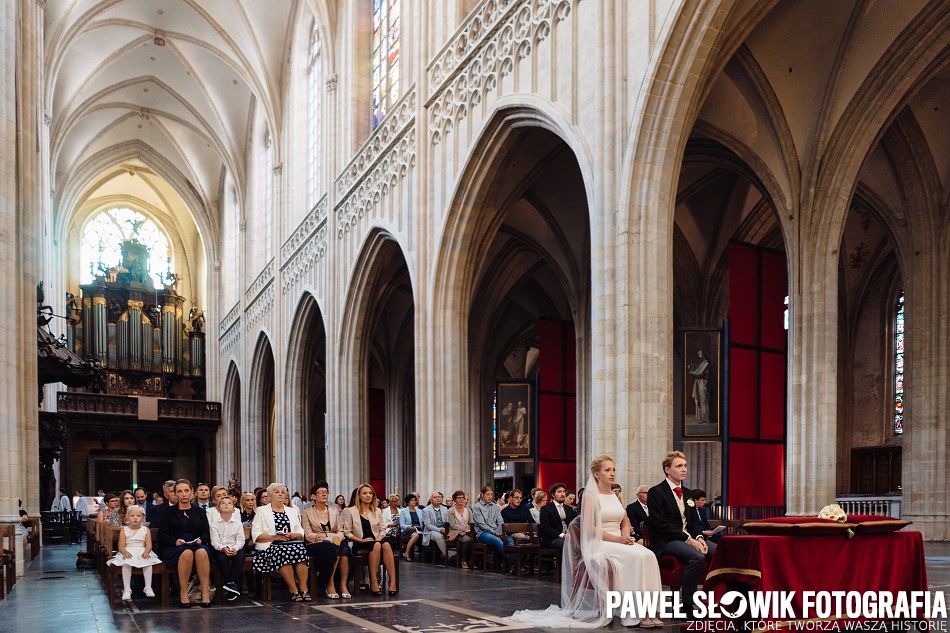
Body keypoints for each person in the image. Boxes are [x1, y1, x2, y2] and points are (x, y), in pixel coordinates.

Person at [511, 455, 663, 628]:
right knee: (635, 558)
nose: (612, 473)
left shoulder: (616, 495)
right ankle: (635, 612)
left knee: (648, 555)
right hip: (600, 543)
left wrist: (626, 537)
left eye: (613, 469)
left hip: (619, 541)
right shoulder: (591, 496)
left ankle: (650, 610)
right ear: (597, 474)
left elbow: (625, 521)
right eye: (607, 470)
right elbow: (590, 529)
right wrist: (618, 540)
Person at [647, 451, 716, 617]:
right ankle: (687, 604)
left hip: (690, 537)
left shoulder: (688, 493)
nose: (684, 469)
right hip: (667, 540)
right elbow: (660, 525)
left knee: (719, 552)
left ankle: (715, 599)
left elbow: (694, 523)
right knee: (696, 557)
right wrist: (689, 540)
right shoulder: (656, 492)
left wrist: (699, 538)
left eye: (685, 466)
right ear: (667, 469)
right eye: (679, 466)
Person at [157, 479, 213, 607]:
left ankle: (205, 592)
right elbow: (162, 535)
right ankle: (183, 592)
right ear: (176, 494)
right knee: (187, 553)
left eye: (186, 491)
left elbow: (206, 532)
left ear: (192, 493)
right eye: (180, 491)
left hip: (196, 543)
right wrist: (175, 541)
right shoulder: (167, 512)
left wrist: (201, 540)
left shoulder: (199, 511)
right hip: (175, 546)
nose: (183, 494)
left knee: (202, 552)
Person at [252, 483, 310, 601]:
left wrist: (294, 535)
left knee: (301, 550)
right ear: (270, 496)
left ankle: (304, 589)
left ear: (285, 497)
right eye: (276, 492)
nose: (280, 494)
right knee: (282, 552)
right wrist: (275, 537)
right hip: (270, 545)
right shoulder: (261, 511)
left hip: (291, 543)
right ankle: (293, 590)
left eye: (282, 492)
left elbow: (300, 531)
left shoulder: (292, 511)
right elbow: (256, 534)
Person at [342, 483, 398, 595]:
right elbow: (347, 532)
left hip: (376, 541)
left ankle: (392, 581)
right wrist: (361, 540)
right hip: (360, 542)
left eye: (370, 493)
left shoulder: (377, 510)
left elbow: (383, 529)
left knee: (385, 545)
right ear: (358, 496)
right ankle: (374, 581)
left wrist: (378, 538)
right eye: (364, 493)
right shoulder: (350, 511)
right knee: (378, 545)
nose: (368, 495)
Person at [301, 481, 351, 599]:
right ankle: (330, 584)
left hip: (335, 541)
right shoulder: (306, 513)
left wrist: (339, 536)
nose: (324, 494)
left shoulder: (334, 511)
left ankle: (343, 585)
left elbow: (340, 529)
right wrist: (327, 536)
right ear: (313, 496)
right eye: (320, 492)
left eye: (326, 492)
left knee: (344, 549)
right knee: (332, 549)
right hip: (315, 544)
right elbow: (308, 534)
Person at [107, 505, 161, 601]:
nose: (135, 518)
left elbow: (148, 545)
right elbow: (121, 546)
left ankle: (148, 587)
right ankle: (127, 589)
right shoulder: (124, 530)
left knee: (147, 562)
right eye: (132, 516)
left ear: (142, 517)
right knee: (126, 563)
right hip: (128, 550)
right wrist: (124, 552)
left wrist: (146, 551)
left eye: (138, 515)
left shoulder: (145, 530)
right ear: (127, 518)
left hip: (142, 550)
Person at [209, 495, 246, 601]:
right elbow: (214, 541)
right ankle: (231, 584)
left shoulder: (237, 523)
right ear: (218, 508)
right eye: (223, 503)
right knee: (221, 558)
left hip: (234, 547)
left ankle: (231, 582)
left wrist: (235, 548)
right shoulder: (214, 523)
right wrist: (223, 548)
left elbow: (241, 540)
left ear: (234, 509)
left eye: (229, 503)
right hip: (220, 549)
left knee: (240, 556)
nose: (226, 505)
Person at [471, 485, 516, 571]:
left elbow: (500, 521)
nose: (490, 496)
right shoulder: (476, 507)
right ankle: (515, 562)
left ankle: (512, 566)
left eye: (491, 494)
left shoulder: (496, 507)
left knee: (510, 540)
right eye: (488, 494)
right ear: (482, 495)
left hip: (496, 532)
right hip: (482, 533)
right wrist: (494, 533)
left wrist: (501, 531)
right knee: (497, 540)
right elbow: (482, 524)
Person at [538, 482, 578, 549]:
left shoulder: (569, 509)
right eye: (559, 492)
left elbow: (574, 524)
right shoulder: (545, 509)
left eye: (564, 491)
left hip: (568, 537)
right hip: (552, 539)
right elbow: (546, 528)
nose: (562, 494)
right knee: (568, 544)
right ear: (553, 494)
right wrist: (562, 535)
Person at [446, 490, 473, 569]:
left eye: (463, 498)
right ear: (455, 499)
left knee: (476, 538)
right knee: (467, 540)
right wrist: (464, 529)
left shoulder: (468, 510)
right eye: (459, 498)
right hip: (456, 533)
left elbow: (471, 523)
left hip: (468, 531)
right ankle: (464, 561)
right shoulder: (451, 511)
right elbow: (453, 526)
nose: (461, 499)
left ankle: (472, 560)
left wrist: (469, 528)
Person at [420, 491, 449, 561]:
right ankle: (447, 556)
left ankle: (456, 556)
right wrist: (440, 530)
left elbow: (448, 522)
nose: (437, 498)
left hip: (444, 528)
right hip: (431, 531)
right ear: (431, 500)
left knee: (455, 535)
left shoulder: (445, 509)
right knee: (439, 536)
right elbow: (428, 525)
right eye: (435, 497)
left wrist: (447, 529)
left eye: (439, 497)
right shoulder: (426, 510)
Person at [398, 493, 425, 561]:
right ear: (408, 502)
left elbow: (422, 522)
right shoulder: (403, 511)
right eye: (412, 500)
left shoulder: (419, 511)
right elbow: (401, 524)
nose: (414, 501)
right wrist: (410, 527)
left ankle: (424, 556)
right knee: (415, 535)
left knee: (424, 535)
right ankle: (406, 553)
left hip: (419, 529)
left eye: (415, 500)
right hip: (408, 529)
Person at [689, 350, 710, 424]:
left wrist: (691, 372)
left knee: (703, 401)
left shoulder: (706, 363)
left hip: (702, 383)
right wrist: (691, 369)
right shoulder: (700, 364)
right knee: (698, 401)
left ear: (703, 355)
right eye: (698, 355)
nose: (699, 356)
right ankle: (700, 418)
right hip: (698, 383)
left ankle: (704, 418)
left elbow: (700, 373)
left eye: (700, 355)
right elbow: (696, 370)